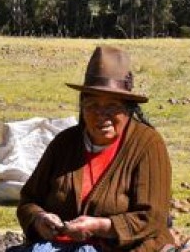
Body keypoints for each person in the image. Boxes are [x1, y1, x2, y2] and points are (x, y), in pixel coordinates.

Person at [17, 46, 175, 252]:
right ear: (82, 107)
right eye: (92, 105)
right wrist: (40, 219)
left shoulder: (147, 144)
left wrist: (100, 226)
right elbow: (28, 201)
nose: (101, 115)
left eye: (112, 106)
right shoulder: (65, 143)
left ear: (128, 109)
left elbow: (152, 218)